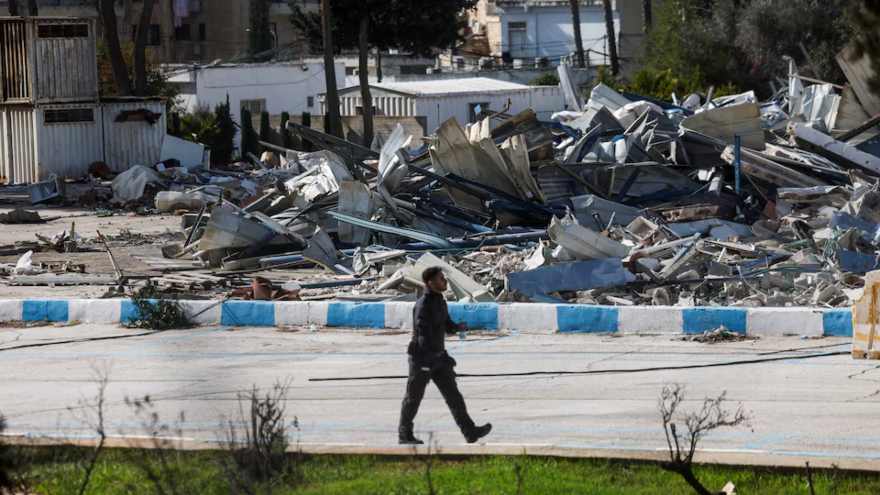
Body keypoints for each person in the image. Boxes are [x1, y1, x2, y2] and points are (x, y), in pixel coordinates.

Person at [398, 266, 492, 445]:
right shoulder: (423, 304)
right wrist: (427, 361)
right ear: (431, 283)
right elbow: (422, 334)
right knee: (413, 398)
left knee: (454, 397)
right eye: (441, 279)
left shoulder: (440, 301)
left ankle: (470, 432)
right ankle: (404, 435)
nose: (445, 281)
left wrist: (458, 327)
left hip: (439, 358)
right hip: (422, 360)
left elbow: (447, 325)